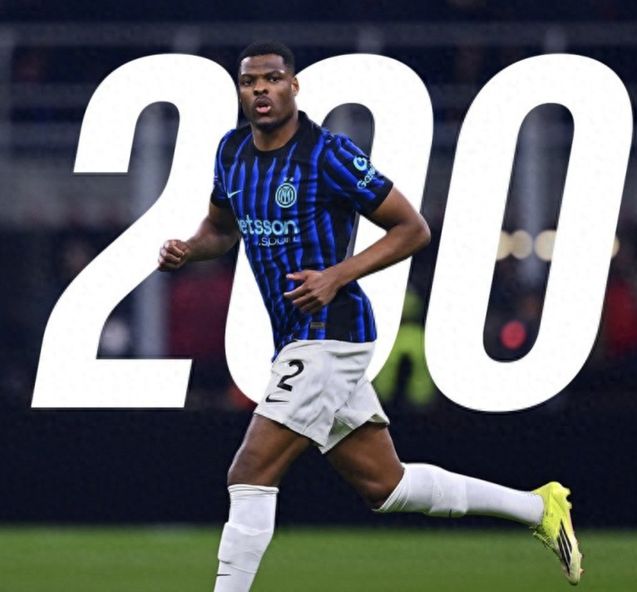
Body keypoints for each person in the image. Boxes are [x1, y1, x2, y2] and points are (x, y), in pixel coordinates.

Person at [158, 41, 583, 590]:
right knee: (386, 485)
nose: (260, 89)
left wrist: (337, 275)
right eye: (249, 81)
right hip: (295, 337)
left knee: (249, 471)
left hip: (331, 334)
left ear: (294, 86)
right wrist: (188, 249)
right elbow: (220, 230)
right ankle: (539, 508)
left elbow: (413, 228)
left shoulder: (328, 154)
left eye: (272, 78)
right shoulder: (231, 151)